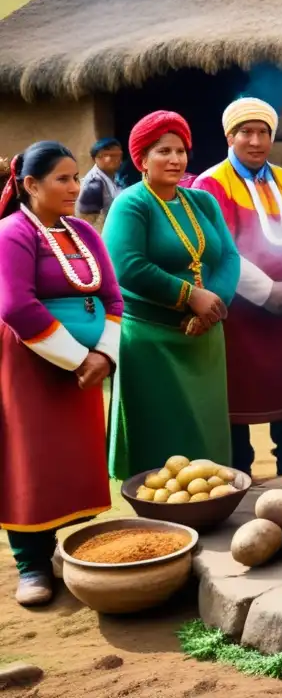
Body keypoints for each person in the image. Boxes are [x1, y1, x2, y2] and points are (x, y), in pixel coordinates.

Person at [0, 142, 123, 606]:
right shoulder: (12, 233)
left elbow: (113, 298)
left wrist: (104, 356)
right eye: (63, 179)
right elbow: (15, 305)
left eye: (76, 178)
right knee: (30, 457)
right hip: (32, 365)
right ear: (31, 185)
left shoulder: (83, 234)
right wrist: (79, 357)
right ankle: (31, 562)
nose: (75, 187)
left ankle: (66, 549)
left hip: (86, 370)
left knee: (71, 455)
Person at [193, 98, 282, 476]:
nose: (255, 141)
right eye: (245, 132)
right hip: (239, 312)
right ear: (229, 137)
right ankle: (240, 480)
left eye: (262, 132)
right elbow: (217, 249)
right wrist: (266, 290)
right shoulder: (210, 184)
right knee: (239, 403)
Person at [104, 112, 240, 478]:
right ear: (142, 159)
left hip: (204, 338)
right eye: (163, 151)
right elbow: (125, 265)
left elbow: (228, 257)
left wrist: (211, 307)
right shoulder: (132, 204)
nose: (176, 159)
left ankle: (208, 509)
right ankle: (159, 519)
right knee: (161, 448)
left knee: (205, 445)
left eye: (181, 150)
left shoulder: (202, 202)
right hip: (152, 340)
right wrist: (190, 296)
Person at [76, 138, 125, 231]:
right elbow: (87, 224)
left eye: (115, 155)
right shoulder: (93, 185)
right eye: (103, 155)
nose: (109, 159)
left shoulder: (116, 175)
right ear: (94, 159)